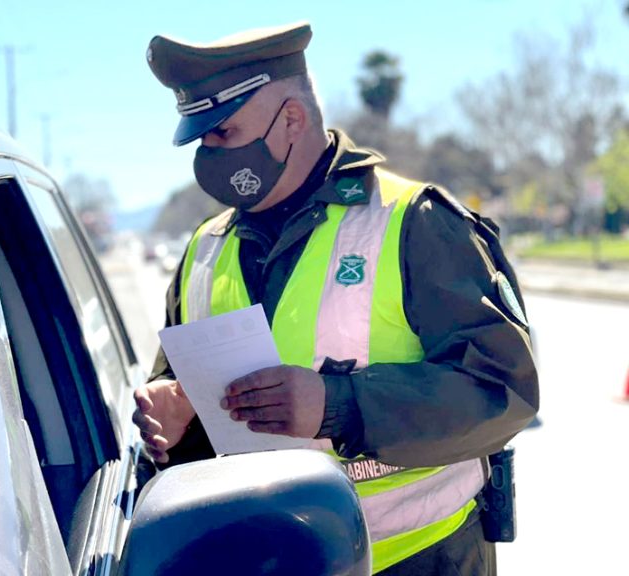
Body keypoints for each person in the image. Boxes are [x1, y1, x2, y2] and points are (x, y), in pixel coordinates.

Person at [133, 21, 538, 576]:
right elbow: (190, 413)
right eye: (201, 140)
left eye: (223, 133)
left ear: (292, 120)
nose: (209, 154)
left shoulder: (413, 222)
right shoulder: (203, 250)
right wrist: (173, 422)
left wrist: (337, 404)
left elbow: (505, 392)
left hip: (422, 558)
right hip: (266, 561)